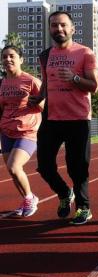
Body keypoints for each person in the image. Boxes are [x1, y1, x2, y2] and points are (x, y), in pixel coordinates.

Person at [30, 11, 98, 225]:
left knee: (77, 166)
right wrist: (39, 96)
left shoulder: (85, 53)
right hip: (51, 117)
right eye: (54, 25)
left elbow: (94, 86)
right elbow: (45, 81)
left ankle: (83, 208)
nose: (58, 29)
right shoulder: (45, 55)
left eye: (62, 25)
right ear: (50, 29)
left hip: (78, 118)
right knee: (44, 165)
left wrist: (74, 78)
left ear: (72, 29)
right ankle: (63, 193)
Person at [0, 45, 44, 217]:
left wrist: (37, 103)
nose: (7, 59)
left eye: (11, 56)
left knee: (14, 166)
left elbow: (45, 107)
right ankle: (28, 197)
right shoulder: (2, 83)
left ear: (21, 59)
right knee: (12, 171)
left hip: (27, 131)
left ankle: (29, 198)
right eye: (4, 57)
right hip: (6, 131)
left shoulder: (31, 81)